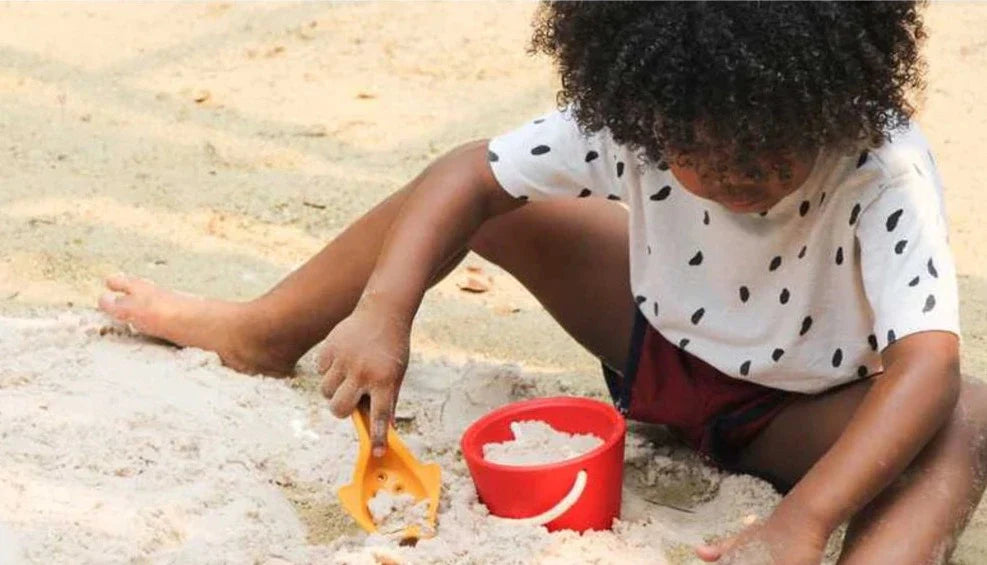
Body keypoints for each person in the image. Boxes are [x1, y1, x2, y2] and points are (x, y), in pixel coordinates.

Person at [98, 2, 987, 562]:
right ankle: (267, 329)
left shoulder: (880, 168)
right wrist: (384, 311)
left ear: (828, 107)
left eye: (763, 163)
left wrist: (805, 517)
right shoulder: (653, 109)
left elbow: (924, 362)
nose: (727, 184)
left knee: (966, 417)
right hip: (650, 342)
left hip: (788, 417)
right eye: (695, 161)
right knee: (485, 201)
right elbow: (467, 172)